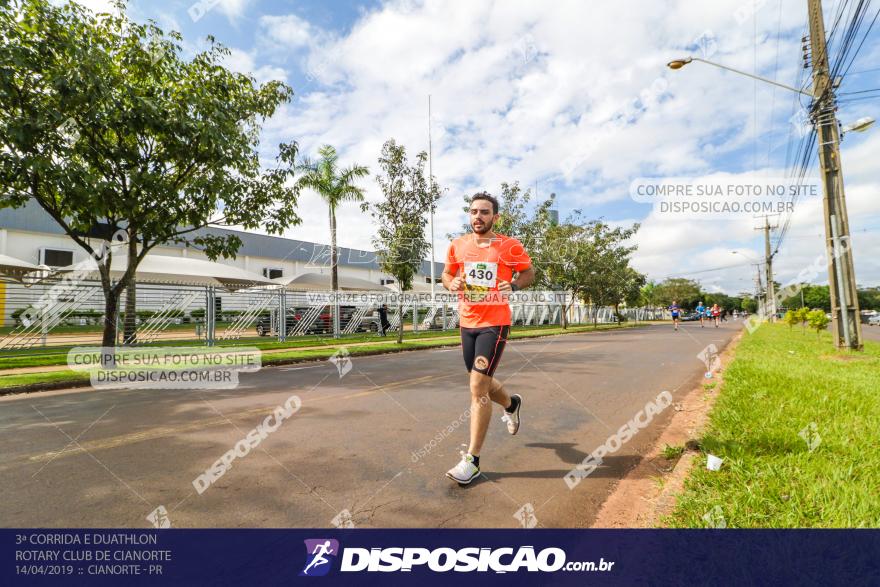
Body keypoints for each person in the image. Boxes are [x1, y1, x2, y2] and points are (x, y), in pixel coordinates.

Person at [442, 192, 535, 485]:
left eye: (484, 212)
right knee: (479, 380)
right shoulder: (457, 245)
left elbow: (528, 273)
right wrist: (451, 282)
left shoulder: (509, 246)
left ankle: (472, 460)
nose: (477, 217)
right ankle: (511, 404)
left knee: (477, 386)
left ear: (495, 217)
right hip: (467, 322)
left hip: (494, 323)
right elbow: (446, 274)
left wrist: (515, 286)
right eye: (473, 212)